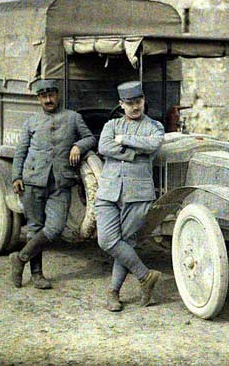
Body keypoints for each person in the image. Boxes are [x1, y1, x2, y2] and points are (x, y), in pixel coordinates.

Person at [10, 79, 96, 289]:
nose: (48, 100)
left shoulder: (73, 118)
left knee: (55, 227)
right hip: (33, 180)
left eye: (51, 95)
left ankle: (20, 258)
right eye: (43, 96)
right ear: (39, 98)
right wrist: (16, 176)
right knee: (34, 227)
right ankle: (37, 274)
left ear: (58, 95)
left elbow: (90, 138)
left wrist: (78, 146)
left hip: (61, 182)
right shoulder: (31, 121)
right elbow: (21, 151)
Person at [95, 81, 165, 312]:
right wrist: (137, 153)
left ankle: (113, 293)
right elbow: (103, 147)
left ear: (144, 100)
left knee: (126, 244)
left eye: (138, 102)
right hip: (108, 192)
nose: (135, 107)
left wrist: (123, 140)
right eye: (130, 103)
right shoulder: (111, 125)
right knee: (107, 240)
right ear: (121, 104)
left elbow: (153, 144)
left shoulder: (155, 126)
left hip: (138, 194)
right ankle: (145, 276)